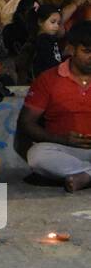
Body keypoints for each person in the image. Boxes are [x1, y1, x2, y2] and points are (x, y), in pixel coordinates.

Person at [20, 22, 91, 190]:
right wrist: (61, 139)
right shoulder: (48, 79)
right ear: (71, 50)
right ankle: (87, 174)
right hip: (65, 150)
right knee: (37, 155)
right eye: (87, 52)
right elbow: (26, 123)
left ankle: (85, 176)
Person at [30, 7, 63, 78]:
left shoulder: (50, 39)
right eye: (53, 22)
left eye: (58, 23)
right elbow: (48, 61)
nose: (56, 26)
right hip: (46, 77)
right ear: (40, 22)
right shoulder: (43, 40)